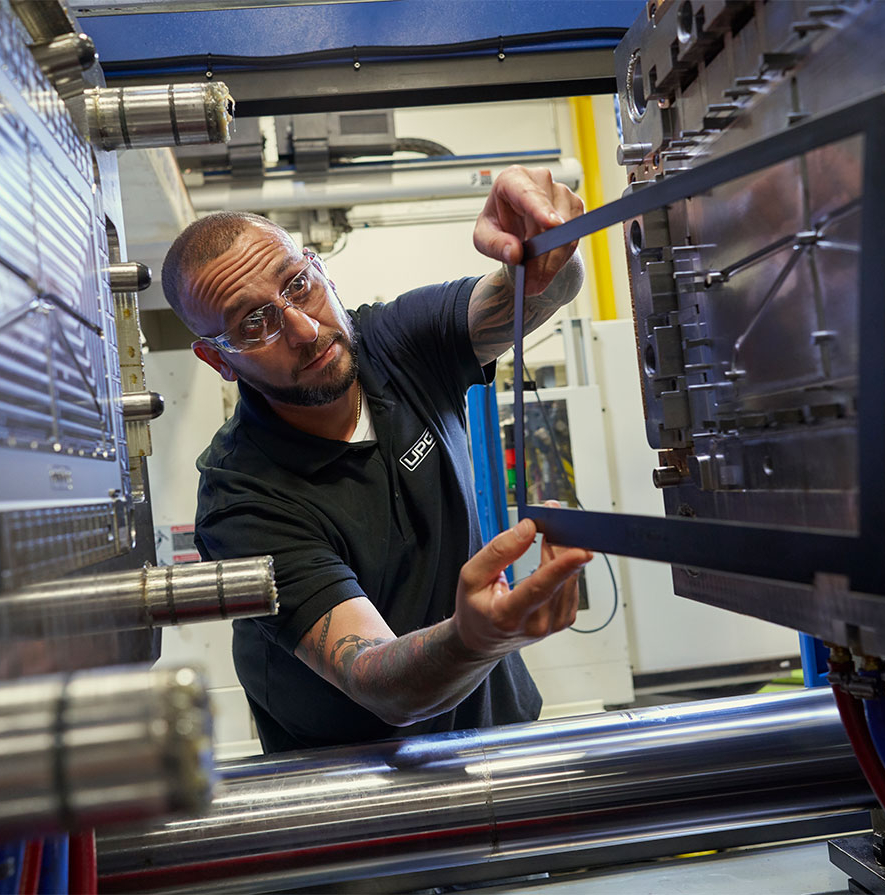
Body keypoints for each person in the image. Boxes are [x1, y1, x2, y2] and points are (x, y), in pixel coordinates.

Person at [160, 165, 593, 753]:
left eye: (297, 284)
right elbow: (380, 685)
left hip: (502, 737)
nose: (306, 328)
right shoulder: (241, 498)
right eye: (255, 323)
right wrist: (474, 639)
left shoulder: (394, 341)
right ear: (220, 361)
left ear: (320, 268)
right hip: (360, 796)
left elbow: (553, 287)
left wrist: (544, 238)